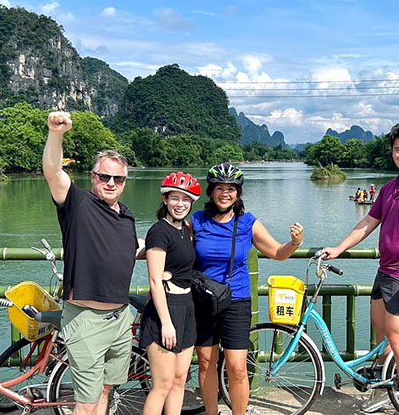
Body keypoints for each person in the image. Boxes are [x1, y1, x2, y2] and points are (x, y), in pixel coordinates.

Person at [323, 125, 399, 415]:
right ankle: (386, 381)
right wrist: (339, 247)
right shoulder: (391, 187)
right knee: (382, 331)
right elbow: (369, 221)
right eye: (397, 149)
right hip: (387, 271)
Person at [43, 110, 139, 415]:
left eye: (118, 178)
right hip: (85, 318)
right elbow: (53, 172)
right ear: (93, 176)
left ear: (125, 181)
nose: (111, 183)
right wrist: (56, 133)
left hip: (121, 318)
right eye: (104, 176)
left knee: (107, 390)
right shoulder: (78, 203)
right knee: (85, 402)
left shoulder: (126, 216)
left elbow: (131, 249)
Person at [193, 162, 304, 415]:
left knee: (237, 367)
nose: (225, 193)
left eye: (231, 188)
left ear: (238, 193)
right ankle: (212, 412)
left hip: (237, 300)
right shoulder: (197, 221)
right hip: (204, 300)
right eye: (219, 188)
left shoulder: (247, 222)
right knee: (206, 363)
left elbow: (277, 252)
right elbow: (178, 250)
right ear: (210, 191)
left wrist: (294, 243)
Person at [140, 172, 202, 415]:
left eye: (186, 200)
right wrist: (166, 323)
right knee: (162, 385)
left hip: (187, 306)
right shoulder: (159, 231)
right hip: (165, 309)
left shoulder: (186, 229)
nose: (180, 204)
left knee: (179, 380)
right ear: (165, 200)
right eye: (175, 198)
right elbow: (155, 280)